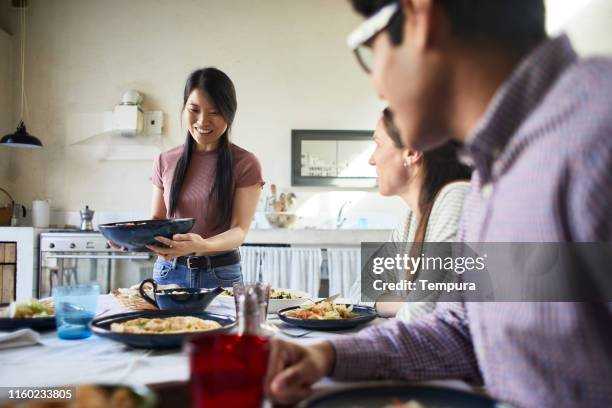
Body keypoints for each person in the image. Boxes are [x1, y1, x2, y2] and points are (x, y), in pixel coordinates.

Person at [266, 1, 612, 406]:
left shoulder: (597, 133)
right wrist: (327, 355)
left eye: (369, 48)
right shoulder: (490, 170)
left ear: (420, 19)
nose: (377, 84)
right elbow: (462, 330)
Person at [349, 107, 471, 321]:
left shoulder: (456, 198)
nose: (371, 159)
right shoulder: (409, 223)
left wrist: (408, 304)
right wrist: (406, 304)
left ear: (412, 153)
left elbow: (425, 314)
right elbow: (359, 292)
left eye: (378, 144)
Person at [147, 67, 263, 288]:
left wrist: (203, 244)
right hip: (168, 271)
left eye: (215, 112)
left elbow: (239, 231)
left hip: (220, 273)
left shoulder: (245, 163)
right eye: (194, 109)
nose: (202, 121)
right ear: (184, 109)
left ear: (229, 113)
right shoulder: (164, 160)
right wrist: (130, 238)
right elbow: (157, 220)